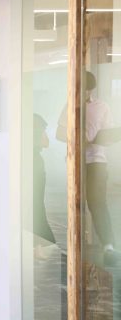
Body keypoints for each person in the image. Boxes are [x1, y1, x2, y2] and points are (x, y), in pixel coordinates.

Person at [57, 71, 121, 265]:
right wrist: (76, 139)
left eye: (86, 89)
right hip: (75, 160)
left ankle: (108, 245)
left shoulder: (102, 107)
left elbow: (109, 136)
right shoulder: (68, 106)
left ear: (91, 89)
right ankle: (75, 243)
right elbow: (59, 134)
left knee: (97, 203)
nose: (83, 92)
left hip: (97, 161)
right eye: (79, 88)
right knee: (75, 204)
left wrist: (100, 139)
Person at [33, 114, 56, 259]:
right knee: (37, 205)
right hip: (36, 165)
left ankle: (39, 246)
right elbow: (46, 143)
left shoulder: (31, 122)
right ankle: (42, 245)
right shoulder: (37, 121)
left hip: (33, 164)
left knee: (35, 206)